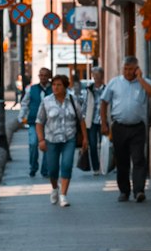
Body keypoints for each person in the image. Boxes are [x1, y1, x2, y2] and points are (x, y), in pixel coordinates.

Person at [100, 54, 151, 202]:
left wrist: (140, 79)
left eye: (131, 69)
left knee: (138, 159)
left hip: (137, 127)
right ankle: (124, 191)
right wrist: (104, 123)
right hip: (119, 127)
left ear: (137, 69)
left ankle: (139, 190)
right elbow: (104, 102)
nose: (127, 72)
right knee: (122, 161)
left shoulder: (144, 82)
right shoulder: (115, 83)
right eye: (125, 68)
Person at [35, 73, 87, 208]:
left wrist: (85, 138)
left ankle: (63, 195)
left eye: (59, 85)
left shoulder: (73, 100)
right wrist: (41, 140)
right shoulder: (46, 101)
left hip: (69, 139)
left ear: (65, 87)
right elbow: (39, 122)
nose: (55, 87)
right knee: (52, 169)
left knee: (67, 165)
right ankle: (54, 188)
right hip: (51, 140)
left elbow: (81, 119)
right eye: (54, 85)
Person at [19, 67, 52, 177]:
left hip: (49, 123)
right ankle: (33, 167)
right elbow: (24, 103)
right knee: (33, 144)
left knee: (47, 145)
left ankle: (45, 170)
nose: (42, 77)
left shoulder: (53, 89)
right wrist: (21, 117)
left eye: (45, 75)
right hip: (34, 121)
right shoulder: (31, 89)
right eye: (41, 75)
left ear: (49, 77)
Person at [84, 66, 105, 173]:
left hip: (103, 121)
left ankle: (104, 165)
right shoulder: (89, 89)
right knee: (92, 145)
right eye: (94, 75)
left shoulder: (106, 89)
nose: (96, 78)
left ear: (102, 76)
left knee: (104, 145)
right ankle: (96, 168)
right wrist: (83, 118)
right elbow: (85, 105)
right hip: (91, 121)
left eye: (98, 75)